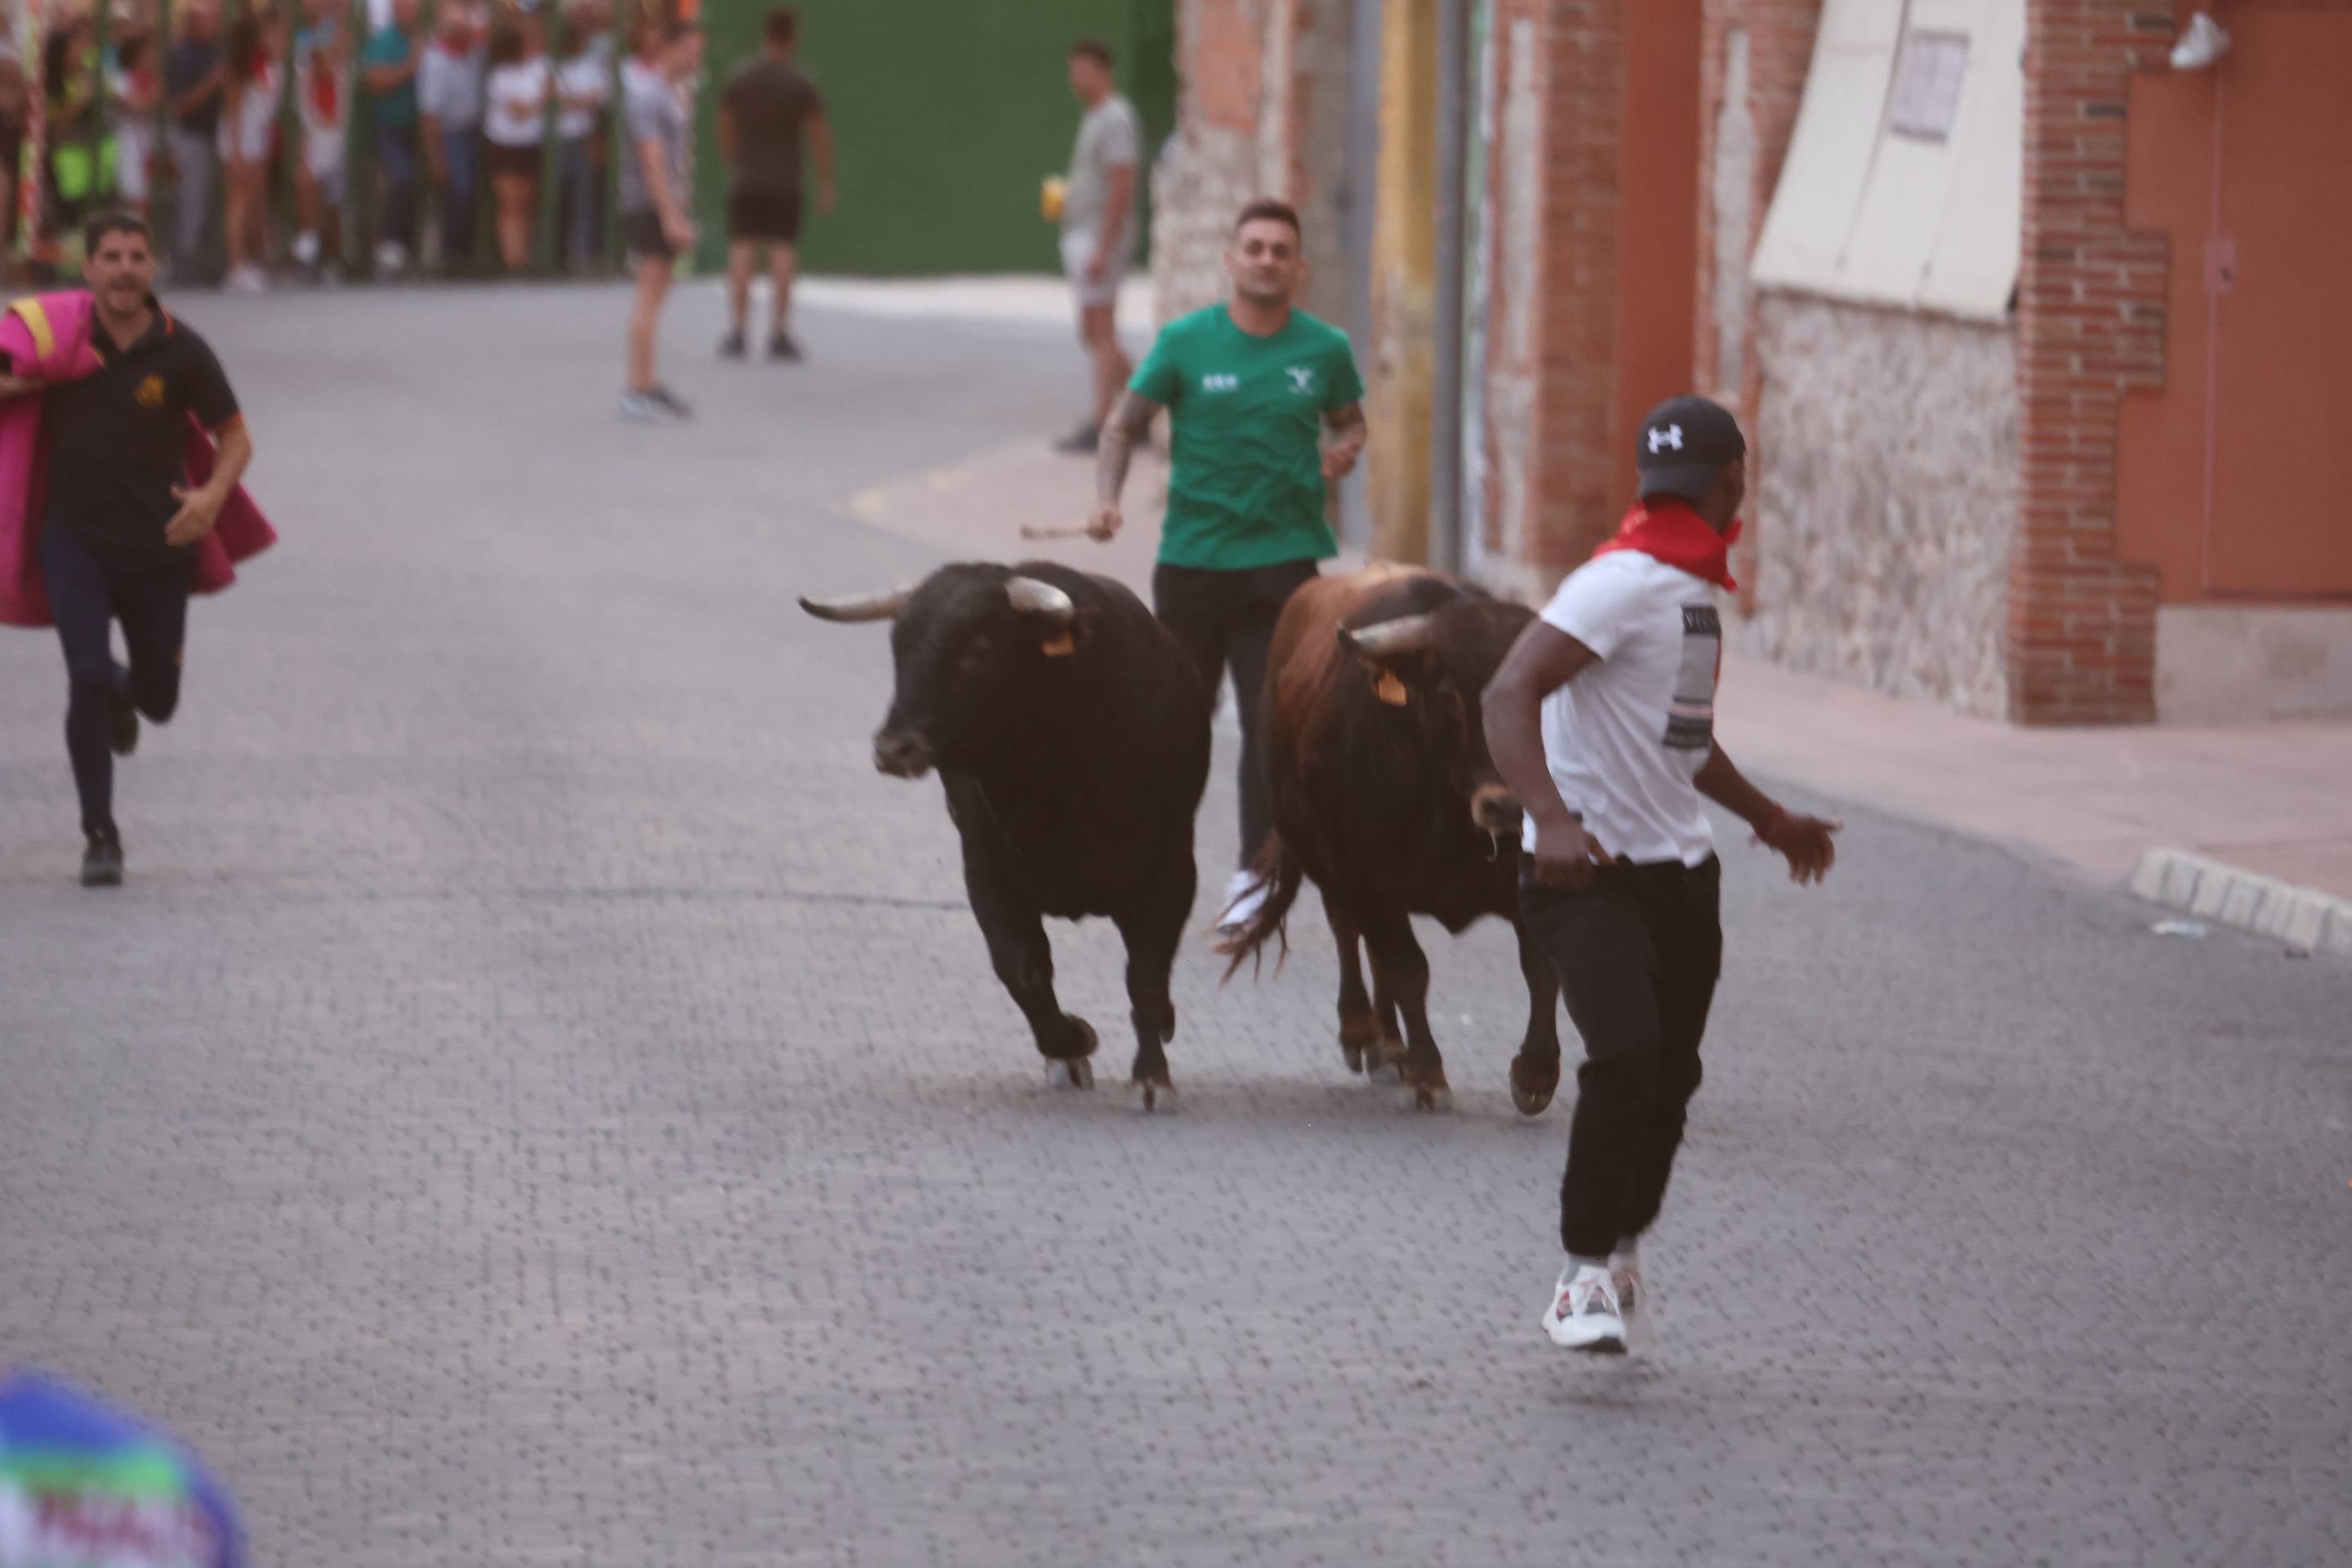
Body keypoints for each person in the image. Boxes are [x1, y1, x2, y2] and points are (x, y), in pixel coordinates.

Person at [1479, 394, 1841, 1356]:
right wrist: (1550, 818)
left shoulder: (1686, 593)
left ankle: (1623, 1248)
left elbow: (1682, 739)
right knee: (1628, 1056)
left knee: (1671, 1076)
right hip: (1585, 875)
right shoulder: (1620, 584)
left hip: (1683, 873)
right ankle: (1579, 1276)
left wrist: (1768, 818)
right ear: (1734, 486)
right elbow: (1507, 691)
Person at [1090, 198, 1368, 934]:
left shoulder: (1325, 349)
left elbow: (1349, 420)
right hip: (1193, 563)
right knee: (1175, 723)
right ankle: (1155, 866)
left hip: (1283, 564)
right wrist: (1106, 500)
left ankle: (1255, 875)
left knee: (1270, 728)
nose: (1267, 259)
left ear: (1299, 268)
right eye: (1255, 247)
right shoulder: (1185, 342)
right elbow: (1124, 424)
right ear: (1231, 260)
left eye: (1281, 250)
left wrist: (1346, 448)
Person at [0, 212, 256, 886]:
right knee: (83, 678)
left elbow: (235, 437)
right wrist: (19, 384)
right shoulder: (57, 342)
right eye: (109, 257)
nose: (122, 269)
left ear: (153, 267)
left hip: (159, 545)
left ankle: (126, 689)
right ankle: (100, 836)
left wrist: (209, 500)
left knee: (159, 701)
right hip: (73, 541)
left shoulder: (183, 350)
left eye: (136, 257)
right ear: (86, 270)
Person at [715, 6, 832, 362]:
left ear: (766, 33)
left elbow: (724, 124)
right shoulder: (801, 82)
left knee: (742, 250)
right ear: (792, 36)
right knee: (783, 252)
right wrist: (825, 179)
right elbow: (818, 136)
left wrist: (731, 159)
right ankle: (779, 334)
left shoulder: (742, 77)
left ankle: (737, 332)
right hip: (786, 180)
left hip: (747, 177)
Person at [1053, 38, 1141, 455]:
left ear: (1102, 70)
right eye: (1073, 70)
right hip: (1084, 231)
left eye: (1083, 69)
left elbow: (1122, 183)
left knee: (1102, 329)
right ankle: (1148, 403)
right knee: (1092, 330)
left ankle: (1103, 421)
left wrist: (1104, 247)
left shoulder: (1115, 117)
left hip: (1100, 238)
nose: (1075, 78)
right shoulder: (1094, 116)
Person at [615, 18, 702, 423]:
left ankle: (647, 383)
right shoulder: (647, 94)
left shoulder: (672, 93)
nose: (697, 55)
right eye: (691, 47)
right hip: (648, 205)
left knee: (657, 293)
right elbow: (650, 160)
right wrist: (669, 216)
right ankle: (636, 390)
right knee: (649, 295)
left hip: (662, 205)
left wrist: (678, 211)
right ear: (669, 47)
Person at [418, 2, 485, 275]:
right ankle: (451, 254)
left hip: (473, 130)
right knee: (459, 190)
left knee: (469, 191)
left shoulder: (472, 55)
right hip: (451, 132)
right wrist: (436, 157)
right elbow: (430, 117)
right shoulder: (436, 60)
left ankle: (465, 253)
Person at [217, 14, 282, 293]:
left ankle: (254, 260)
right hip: (240, 139)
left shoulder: (266, 64)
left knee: (255, 202)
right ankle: (236, 266)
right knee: (239, 201)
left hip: (257, 138)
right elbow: (232, 114)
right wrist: (237, 152)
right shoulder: (239, 69)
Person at [482, 14, 550, 274]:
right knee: (510, 204)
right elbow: (519, 110)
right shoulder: (501, 75)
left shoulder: (537, 68)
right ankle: (513, 260)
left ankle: (524, 255)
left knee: (527, 203)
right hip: (505, 145)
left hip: (530, 144)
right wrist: (543, 97)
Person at [163, 2, 225, 278]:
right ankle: (185, 264)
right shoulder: (181, 56)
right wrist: (212, 82)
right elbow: (181, 104)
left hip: (220, 135)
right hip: (192, 136)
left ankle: (209, 262)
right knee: (192, 201)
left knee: (212, 203)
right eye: (208, 19)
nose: (214, 23)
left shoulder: (218, 51)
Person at [361, 0, 422, 276]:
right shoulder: (384, 42)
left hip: (415, 129)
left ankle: (404, 249)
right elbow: (373, 80)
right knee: (402, 177)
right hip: (387, 127)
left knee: (414, 183)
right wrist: (408, 68)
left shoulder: (422, 38)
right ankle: (388, 248)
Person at [552, 1, 611, 272]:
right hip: (558, 138)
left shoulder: (593, 63)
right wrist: (579, 100)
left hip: (585, 137)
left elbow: (601, 96)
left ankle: (585, 256)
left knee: (586, 195)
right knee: (558, 195)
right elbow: (551, 100)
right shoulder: (554, 64)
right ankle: (555, 255)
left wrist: (570, 100)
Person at [292, 6, 349, 280]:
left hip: (338, 146)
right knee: (307, 190)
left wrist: (337, 22)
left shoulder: (341, 79)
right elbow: (304, 119)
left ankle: (332, 258)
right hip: (316, 144)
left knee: (334, 204)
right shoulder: (304, 83)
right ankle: (309, 249)